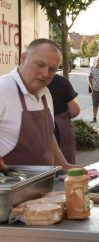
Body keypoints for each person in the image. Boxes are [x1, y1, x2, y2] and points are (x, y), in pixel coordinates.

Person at [0, 38, 75, 172]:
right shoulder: (3, 89)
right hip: (10, 189)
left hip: (44, 185)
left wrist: (63, 164)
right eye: (40, 65)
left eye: (52, 69)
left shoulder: (45, 93)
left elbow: (48, 136)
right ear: (23, 58)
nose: (45, 74)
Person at [47, 74, 80, 164]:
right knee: (65, 165)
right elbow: (75, 110)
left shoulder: (29, 82)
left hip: (39, 130)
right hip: (60, 127)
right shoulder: (61, 81)